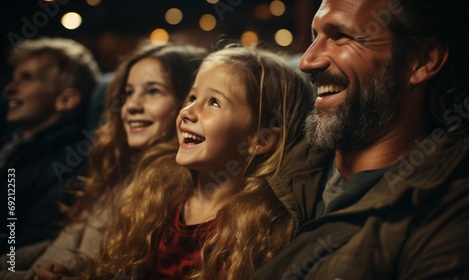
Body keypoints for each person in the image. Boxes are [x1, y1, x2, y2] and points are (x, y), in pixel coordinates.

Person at [251, 0, 469, 279]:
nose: (308, 61)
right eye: (314, 36)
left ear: (423, 59)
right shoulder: (269, 164)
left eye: (341, 37)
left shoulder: (463, 216)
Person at [87, 45, 325, 280]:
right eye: (191, 97)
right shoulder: (157, 191)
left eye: (213, 102)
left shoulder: (257, 228)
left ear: (260, 140)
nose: (187, 112)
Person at [0, 42, 206, 280]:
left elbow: (110, 266)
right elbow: (63, 245)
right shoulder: (121, 169)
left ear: (187, 103)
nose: (131, 106)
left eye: (153, 91)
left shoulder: (169, 185)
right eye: (128, 93)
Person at [0, 37, 101, 251]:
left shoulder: (70, 163)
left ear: (66, 100)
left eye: (26, 78)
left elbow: (25, 243)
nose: (9, 88)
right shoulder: (16, 141)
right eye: (14, 77)